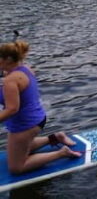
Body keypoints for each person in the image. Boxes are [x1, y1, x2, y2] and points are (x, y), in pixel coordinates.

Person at [0, 41, 80, 174]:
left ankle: (61, 153)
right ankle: (55, 138)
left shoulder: (10, 80)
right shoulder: (26, 69)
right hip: (37, 118)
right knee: (18, 148)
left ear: (7, 59)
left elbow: (12, 109)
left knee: (16, 168)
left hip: (24, 124)